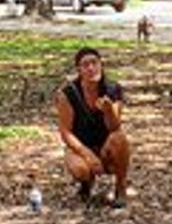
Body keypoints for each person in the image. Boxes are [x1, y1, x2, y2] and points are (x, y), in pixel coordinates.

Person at [54, 46, 131, 209]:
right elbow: (65, 132)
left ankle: (121, 187)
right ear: (79, 70)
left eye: (94, 63)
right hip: (81, 146)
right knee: (80, 170)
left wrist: (109, 111)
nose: (91, 68)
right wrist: (87, 154)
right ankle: (86, 184)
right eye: (85, 65)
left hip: (105, 147)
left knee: (120, 138)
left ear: (101, 65)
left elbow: (115, 127)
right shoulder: (68, 94)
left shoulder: (112, 89)